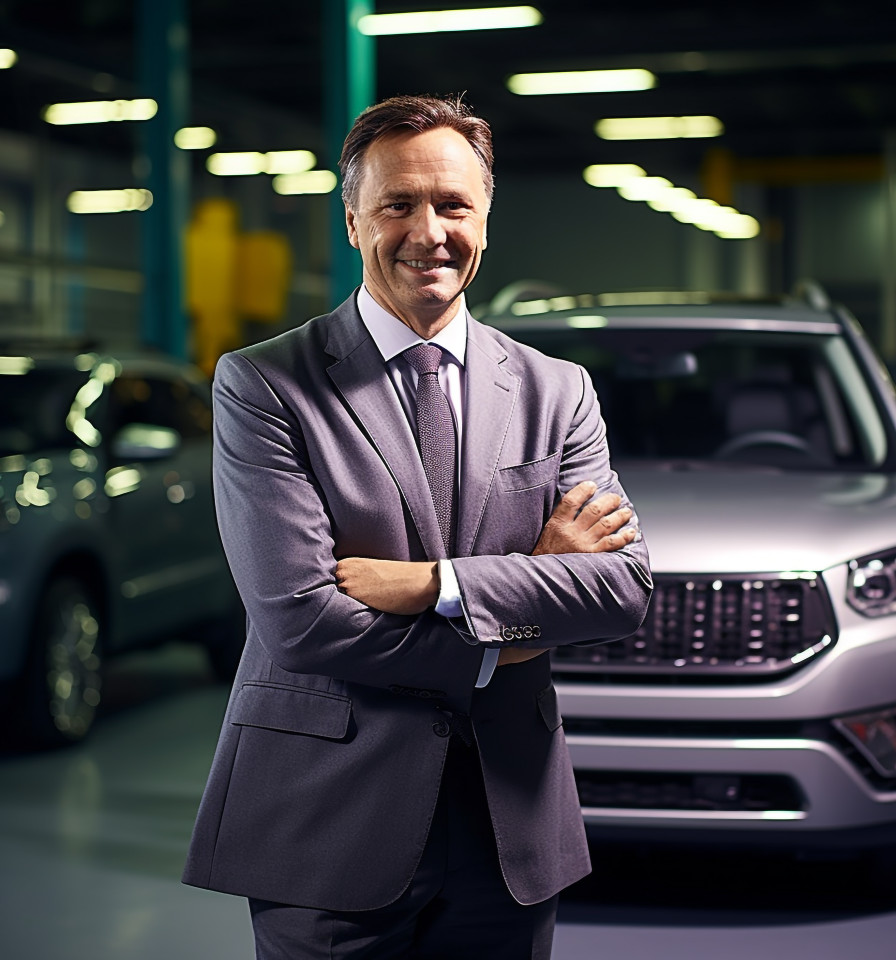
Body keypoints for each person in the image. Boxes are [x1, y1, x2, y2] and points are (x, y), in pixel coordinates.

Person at [183, 94, 652, 959]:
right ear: (354, 221)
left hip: (506, 819)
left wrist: (434, 585)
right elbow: (301, 619)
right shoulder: (266, 385)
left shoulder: (557, 391)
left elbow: (620, 590)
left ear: (485, 220)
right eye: (398, 204)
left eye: (452, 205)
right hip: (325, 820)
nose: (427, 231)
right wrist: (512, 624)